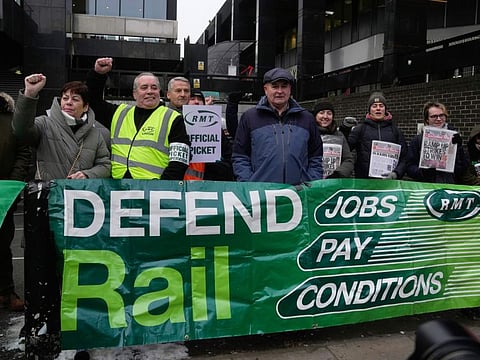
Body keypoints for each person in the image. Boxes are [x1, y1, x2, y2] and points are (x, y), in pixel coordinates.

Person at [86, 57, 190, 179]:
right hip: (118, 189)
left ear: (159, 92)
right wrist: (98, 74)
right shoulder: (118, 113)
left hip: (152, 190)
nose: (150, 91)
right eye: (144, 87)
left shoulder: (173, 118)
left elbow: (179, 161)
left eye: (154, 88)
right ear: (134, 94)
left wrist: (161, 188)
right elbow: (92, 101)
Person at [232, 67, 323, 184]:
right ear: (265, 89)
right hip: (262, 195)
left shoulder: (306, 118)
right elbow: (240, 156)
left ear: (290, 89)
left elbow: (316, 156)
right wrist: (249, 184)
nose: (280, 91)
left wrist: (311, 183)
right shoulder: (250, 117)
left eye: (284, 86)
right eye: (275, 86)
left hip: (299, 195)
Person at [12, 74, 111, 181]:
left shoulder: (95, 134)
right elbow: (21, 130)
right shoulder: (45, 124)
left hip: (80, 194)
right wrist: (29, 94)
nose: (68, 102)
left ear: (85, 107)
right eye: (65, 98)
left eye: (75, 99)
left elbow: (105, 166)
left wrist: (87, 174)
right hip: (49, 194)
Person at [0, 92, 31, 311]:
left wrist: (14, 182)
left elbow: (23, 153)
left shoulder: (11, 121)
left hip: (4, 193)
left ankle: (6, 291)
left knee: (2, 245)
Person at [348, 91, 407, 179]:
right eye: (374, 106)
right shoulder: (360, 129)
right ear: (369, 110)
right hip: (364, 182)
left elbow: (405, 157)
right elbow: (346, 148)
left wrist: (396, 173)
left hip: (389, 183)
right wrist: (345, 129)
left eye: (381, 105)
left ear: (385, 109)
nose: (378, 108)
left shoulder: (396, 131)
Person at [406, 101, 468, 184]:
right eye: (434, 116)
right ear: (427, 119)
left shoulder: (454, 138)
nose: (439, 119)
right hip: (426, 186)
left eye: (441, 115)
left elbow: (463, 168)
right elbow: (409, 168)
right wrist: (422, 172)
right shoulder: (417, 140)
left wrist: (458, 147)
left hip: (449, 185)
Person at [183, 90, 234, 181]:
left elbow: (228, 158)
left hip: (210, 182)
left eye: (199, 99)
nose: (196, 102)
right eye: (192, 99)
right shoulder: (179, 124)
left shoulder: (216, 129)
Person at [312, 101, 354, 178]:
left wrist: (339, 174)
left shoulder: (339, 135)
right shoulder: (309, 134)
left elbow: (348, 160)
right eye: (322, 113)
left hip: (335, 182)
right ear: (315, 116)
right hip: (312, 181)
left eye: (329, 113)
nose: (325, 116)